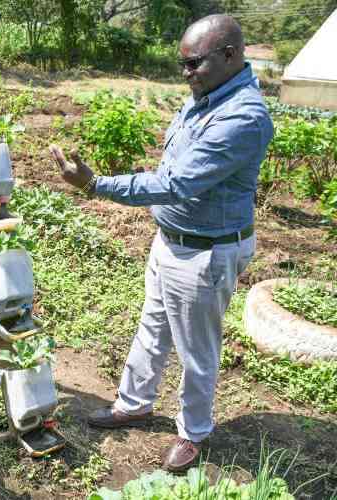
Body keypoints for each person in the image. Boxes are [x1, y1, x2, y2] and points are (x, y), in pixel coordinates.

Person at [48, 14, 274, 472]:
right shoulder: (205, 97)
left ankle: (194, 432)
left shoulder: (243, 117)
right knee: (152, 327)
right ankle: (134, 403)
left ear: (229, 55)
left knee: (197, 348)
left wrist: (97, 185)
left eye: (193, 63)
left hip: (205, 251)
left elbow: (177, 182)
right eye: (182, 64)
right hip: (172, 239)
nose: (185, 73)